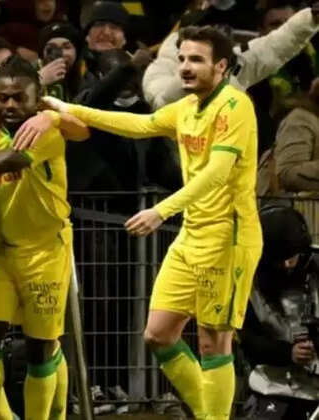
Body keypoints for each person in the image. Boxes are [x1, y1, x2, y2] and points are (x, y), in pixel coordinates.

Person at [37, 26, 263, 420]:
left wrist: (161, 211)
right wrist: (69, 110)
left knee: (213, 341)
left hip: (228, 237)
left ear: (221, 66)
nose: (185, 67)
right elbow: (139, 125)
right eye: (182, 58)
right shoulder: (186, 107)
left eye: (197, 60)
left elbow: (217, 173)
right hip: (192, 235)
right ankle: (207, 413)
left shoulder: (235, 106)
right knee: (158, 334)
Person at [0, 55, 77, 420]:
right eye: (3, 97)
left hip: (46, 251)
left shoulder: (46, 132)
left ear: (37, 97)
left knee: (40, 347)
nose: (10, 105)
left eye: (19, 98)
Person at [142, 2, 319, 110]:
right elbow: (163, 102)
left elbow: (272, 47)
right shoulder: (161, 67)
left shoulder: (230, 63)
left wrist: (310, 18)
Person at [239, 205, 319, 420]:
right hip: (271, 385)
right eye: (279, 259)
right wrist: (288, 353)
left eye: (291, 257)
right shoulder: (248, 282)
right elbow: (249, 340)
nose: (286, 265)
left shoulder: (315, 269)